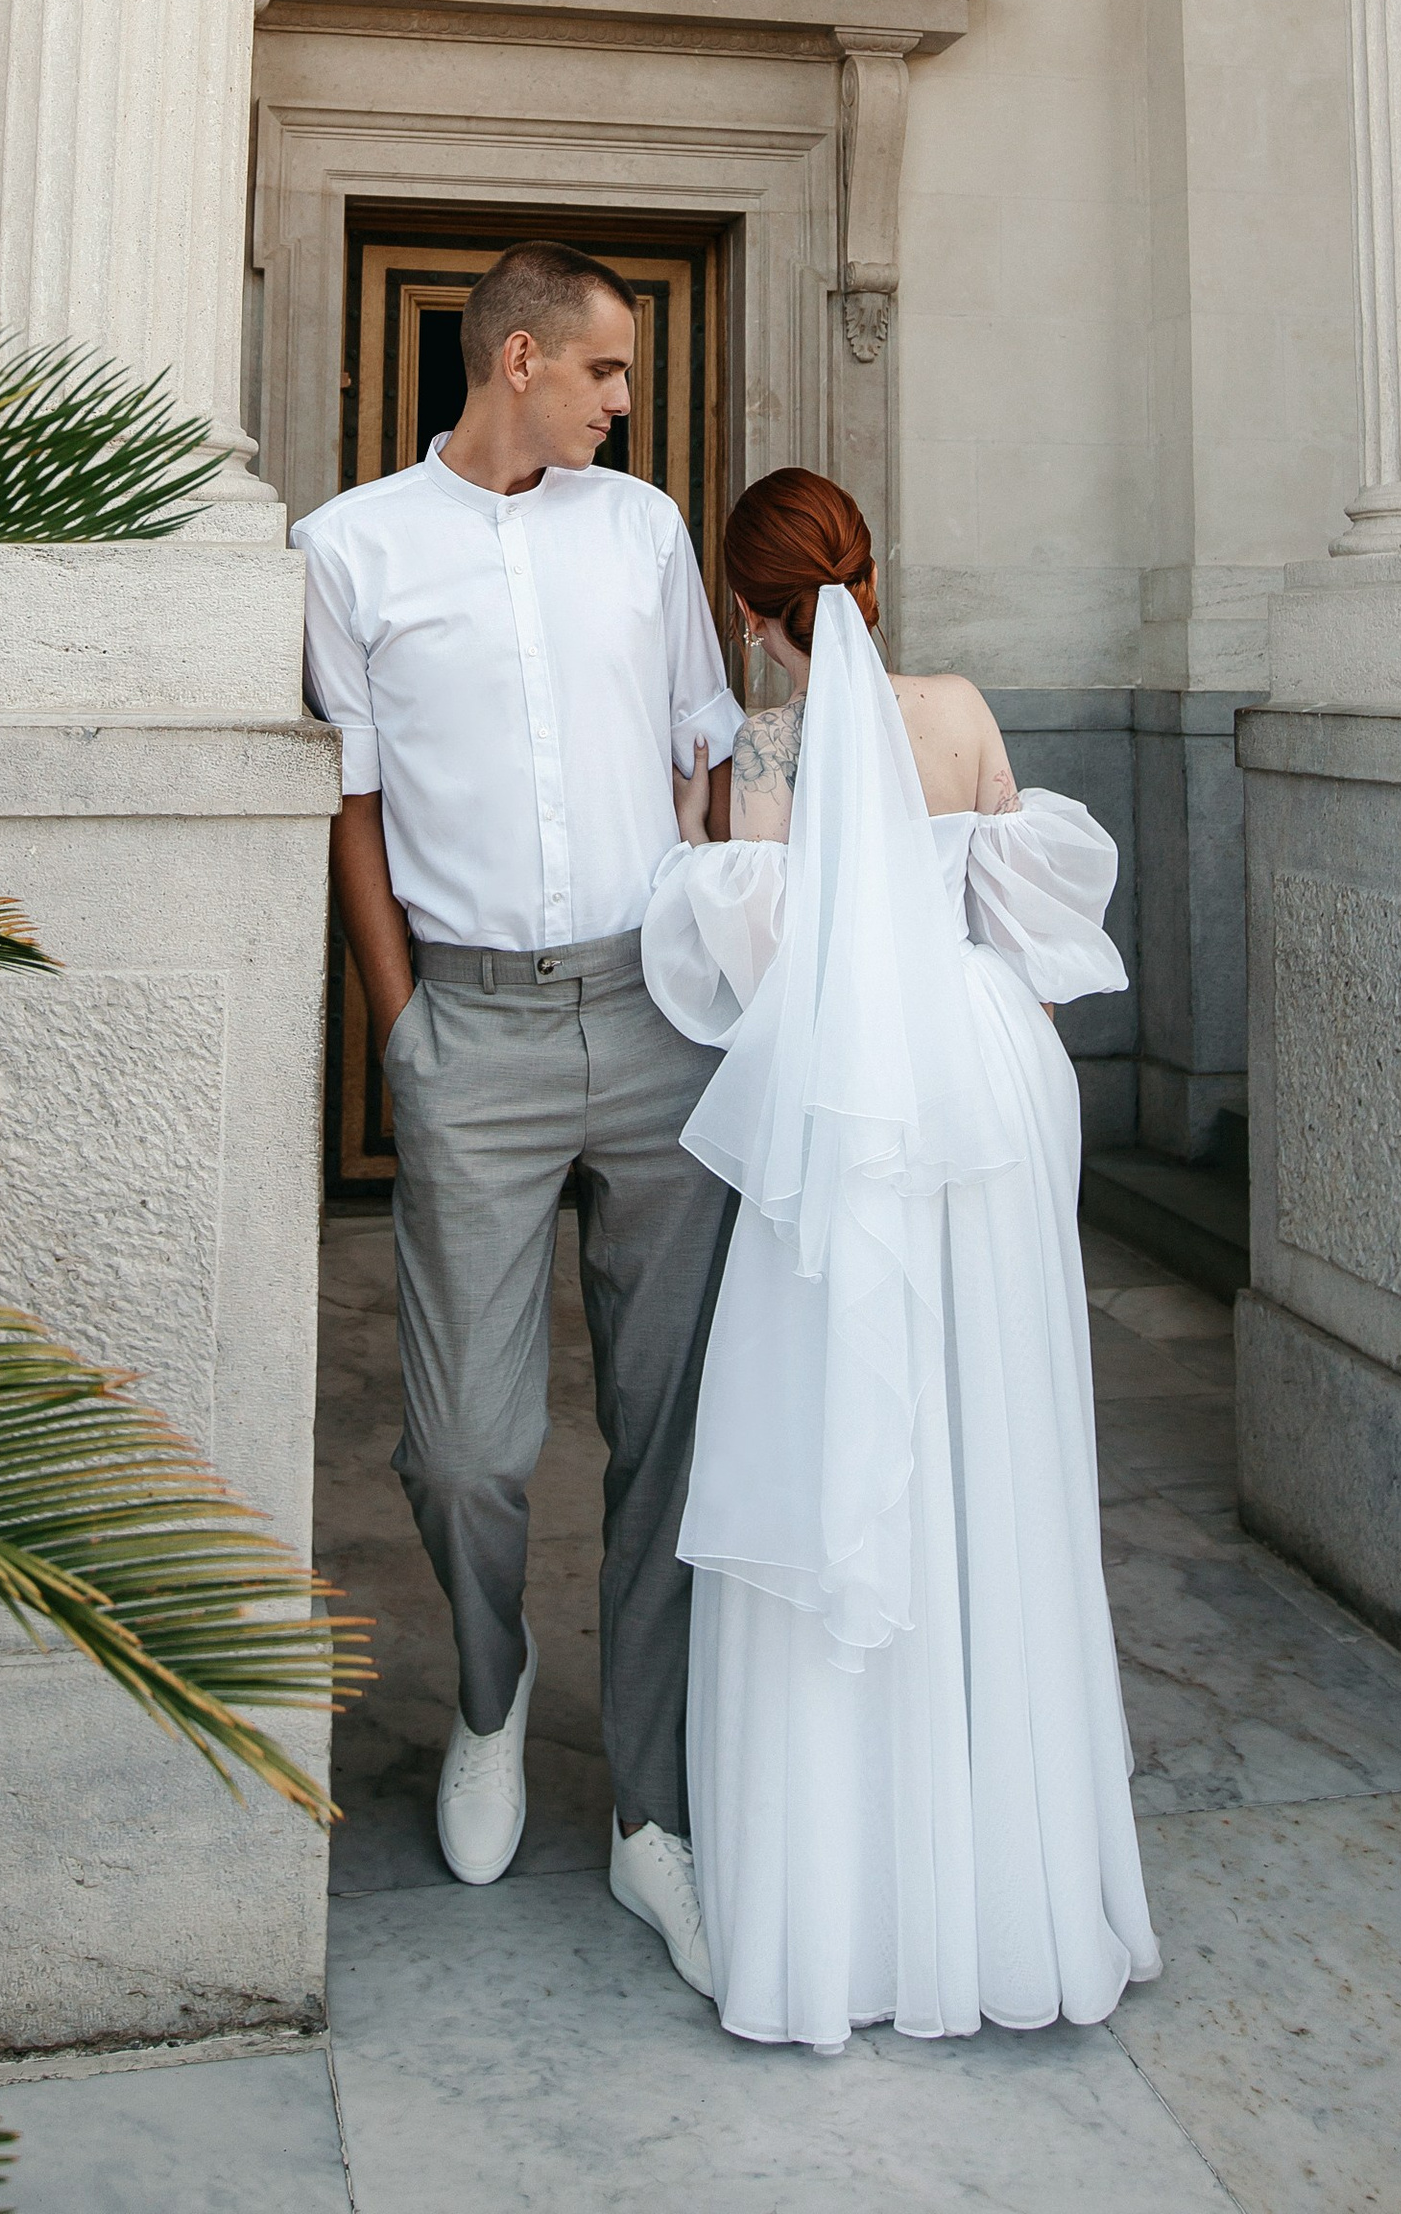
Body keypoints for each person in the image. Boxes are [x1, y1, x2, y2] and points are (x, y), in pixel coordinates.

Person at [641, 467, 1161, 2051]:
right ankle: (1010, 1881)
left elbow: (749, 1003)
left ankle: (840, 1909)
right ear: (871, 578)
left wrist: (692, 839)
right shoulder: (958, 711)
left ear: (750, 612)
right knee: (994, 1450)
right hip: (993, 1088)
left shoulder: (763, 761)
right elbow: (1037, 937)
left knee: (842, 1440)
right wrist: (996, 1074)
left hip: (852, 1118)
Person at [292, 239, 743, 1991]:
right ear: (520, 361)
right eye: (609, 373)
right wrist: (403, 1028)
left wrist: (711, 947)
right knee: (467, 1444)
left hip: (653, 1015)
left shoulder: (637, 536)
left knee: (674, 1425)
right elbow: (350, 798)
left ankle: (652, 1815)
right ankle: (493, 1697)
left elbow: (707, 743)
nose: (626, 405)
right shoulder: (349, 550)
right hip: (467, 1029)